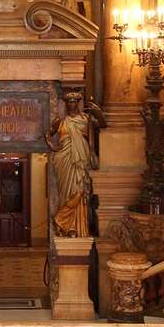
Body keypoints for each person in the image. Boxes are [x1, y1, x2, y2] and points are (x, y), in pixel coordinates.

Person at [45, 92, 106, 238]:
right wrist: (52, 146)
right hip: (64, 159)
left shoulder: (86, 119)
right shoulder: (60, 121)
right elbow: (48, 134)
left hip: (81, 158)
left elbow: (103, 125)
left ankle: (62, 220)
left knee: (79, 191)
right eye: (69, 102)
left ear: (78, 103)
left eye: (74, 102)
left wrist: (98, 113)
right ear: (66, 104)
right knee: (66, 193)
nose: (71, 104)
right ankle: (69, 227)